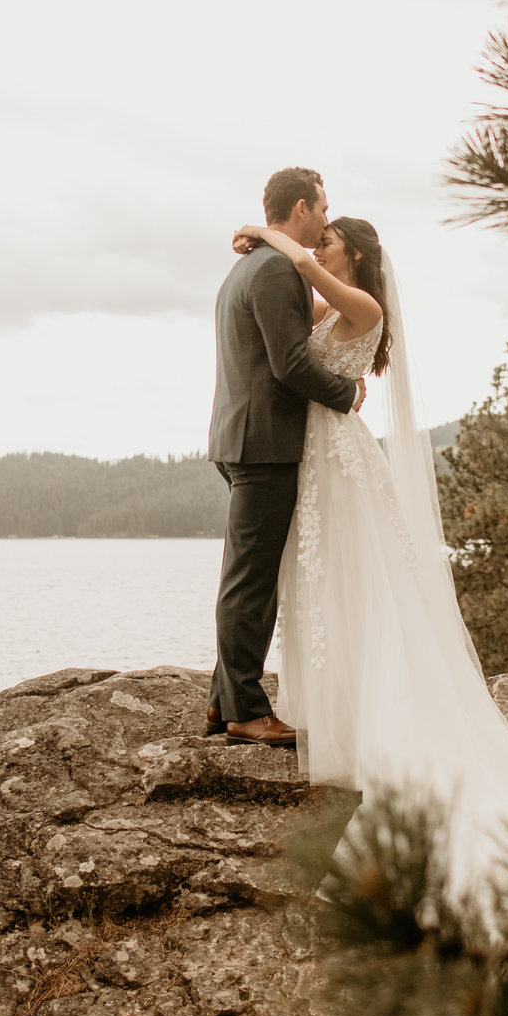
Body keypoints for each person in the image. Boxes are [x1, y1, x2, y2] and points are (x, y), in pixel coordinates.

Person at [226, 208, 508, 905]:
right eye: (317, 234)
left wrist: (264, 234)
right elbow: (293, 318)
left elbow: (305, 271)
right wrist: (265, 245)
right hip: (310, 453)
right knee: (321, 585)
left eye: (329, 239)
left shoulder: (363, 300)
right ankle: (332, 706)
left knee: (360, 582)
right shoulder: (326, 294)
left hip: (339, 458)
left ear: (352, 251)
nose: (319, 244)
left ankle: (377, 723)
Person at [204, 168, 360, 748]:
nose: (325, 219)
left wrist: (263, 235)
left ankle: (225, 701)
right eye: (322, 208)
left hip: (244, 436)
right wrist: (347, 394)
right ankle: (245, 708)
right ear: (301, 207)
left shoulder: (254, 263)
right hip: (263, 443)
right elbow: (289, 364)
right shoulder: (272, 270)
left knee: (246, 573)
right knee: (251, 580)